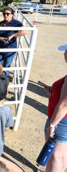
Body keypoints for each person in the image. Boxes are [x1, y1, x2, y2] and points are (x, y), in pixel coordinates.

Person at [43, 44, 67, 172]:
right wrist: (54, 92)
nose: (64, 54)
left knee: (56, 155)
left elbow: (64, 105)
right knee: (62, 154)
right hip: (64, 121)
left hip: (61, 121)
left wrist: (52, 124)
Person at [0, 7, 27, 77]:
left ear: (12, 15)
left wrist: (13, 35)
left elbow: (24, 32)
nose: (5, 15)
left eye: (7, 14)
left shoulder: (16, 23)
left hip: (10, 49)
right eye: (4, 14)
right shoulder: (0, 23)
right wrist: (0, 38)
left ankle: (3, 82)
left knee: (6, 67)